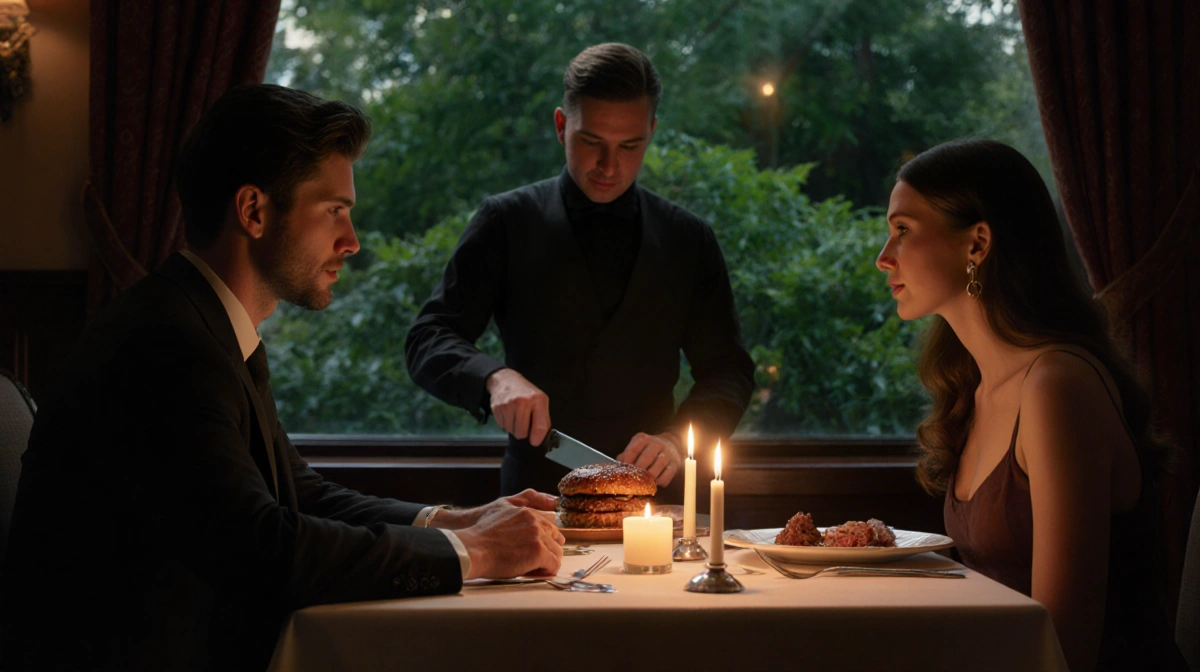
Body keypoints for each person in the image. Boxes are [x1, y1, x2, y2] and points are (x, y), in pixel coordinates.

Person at [0, 84, 564, 672]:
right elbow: (262, 549)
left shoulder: (200, 323)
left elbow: (302, 495)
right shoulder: (167, 344)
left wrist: (452, 521)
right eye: (335, 211)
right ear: (254, 211)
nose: (352, 240)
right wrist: (474, 551)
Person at [876, 138, 1184, 671]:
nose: (883, 258)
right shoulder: (976, 389)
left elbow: (1065, 644)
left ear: (977, 243)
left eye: (903, 230)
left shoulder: (1056, 387)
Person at [405, 43, 755, 497]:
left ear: (651, 131)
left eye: (630, 146)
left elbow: (729, 371)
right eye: (592, 142)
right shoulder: (504, 221)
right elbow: (427, 337)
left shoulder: (689, 238)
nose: (610, 166)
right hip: (535, 499)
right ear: (560, 125)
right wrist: (493, 377)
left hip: (656, 500)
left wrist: (676, 439)